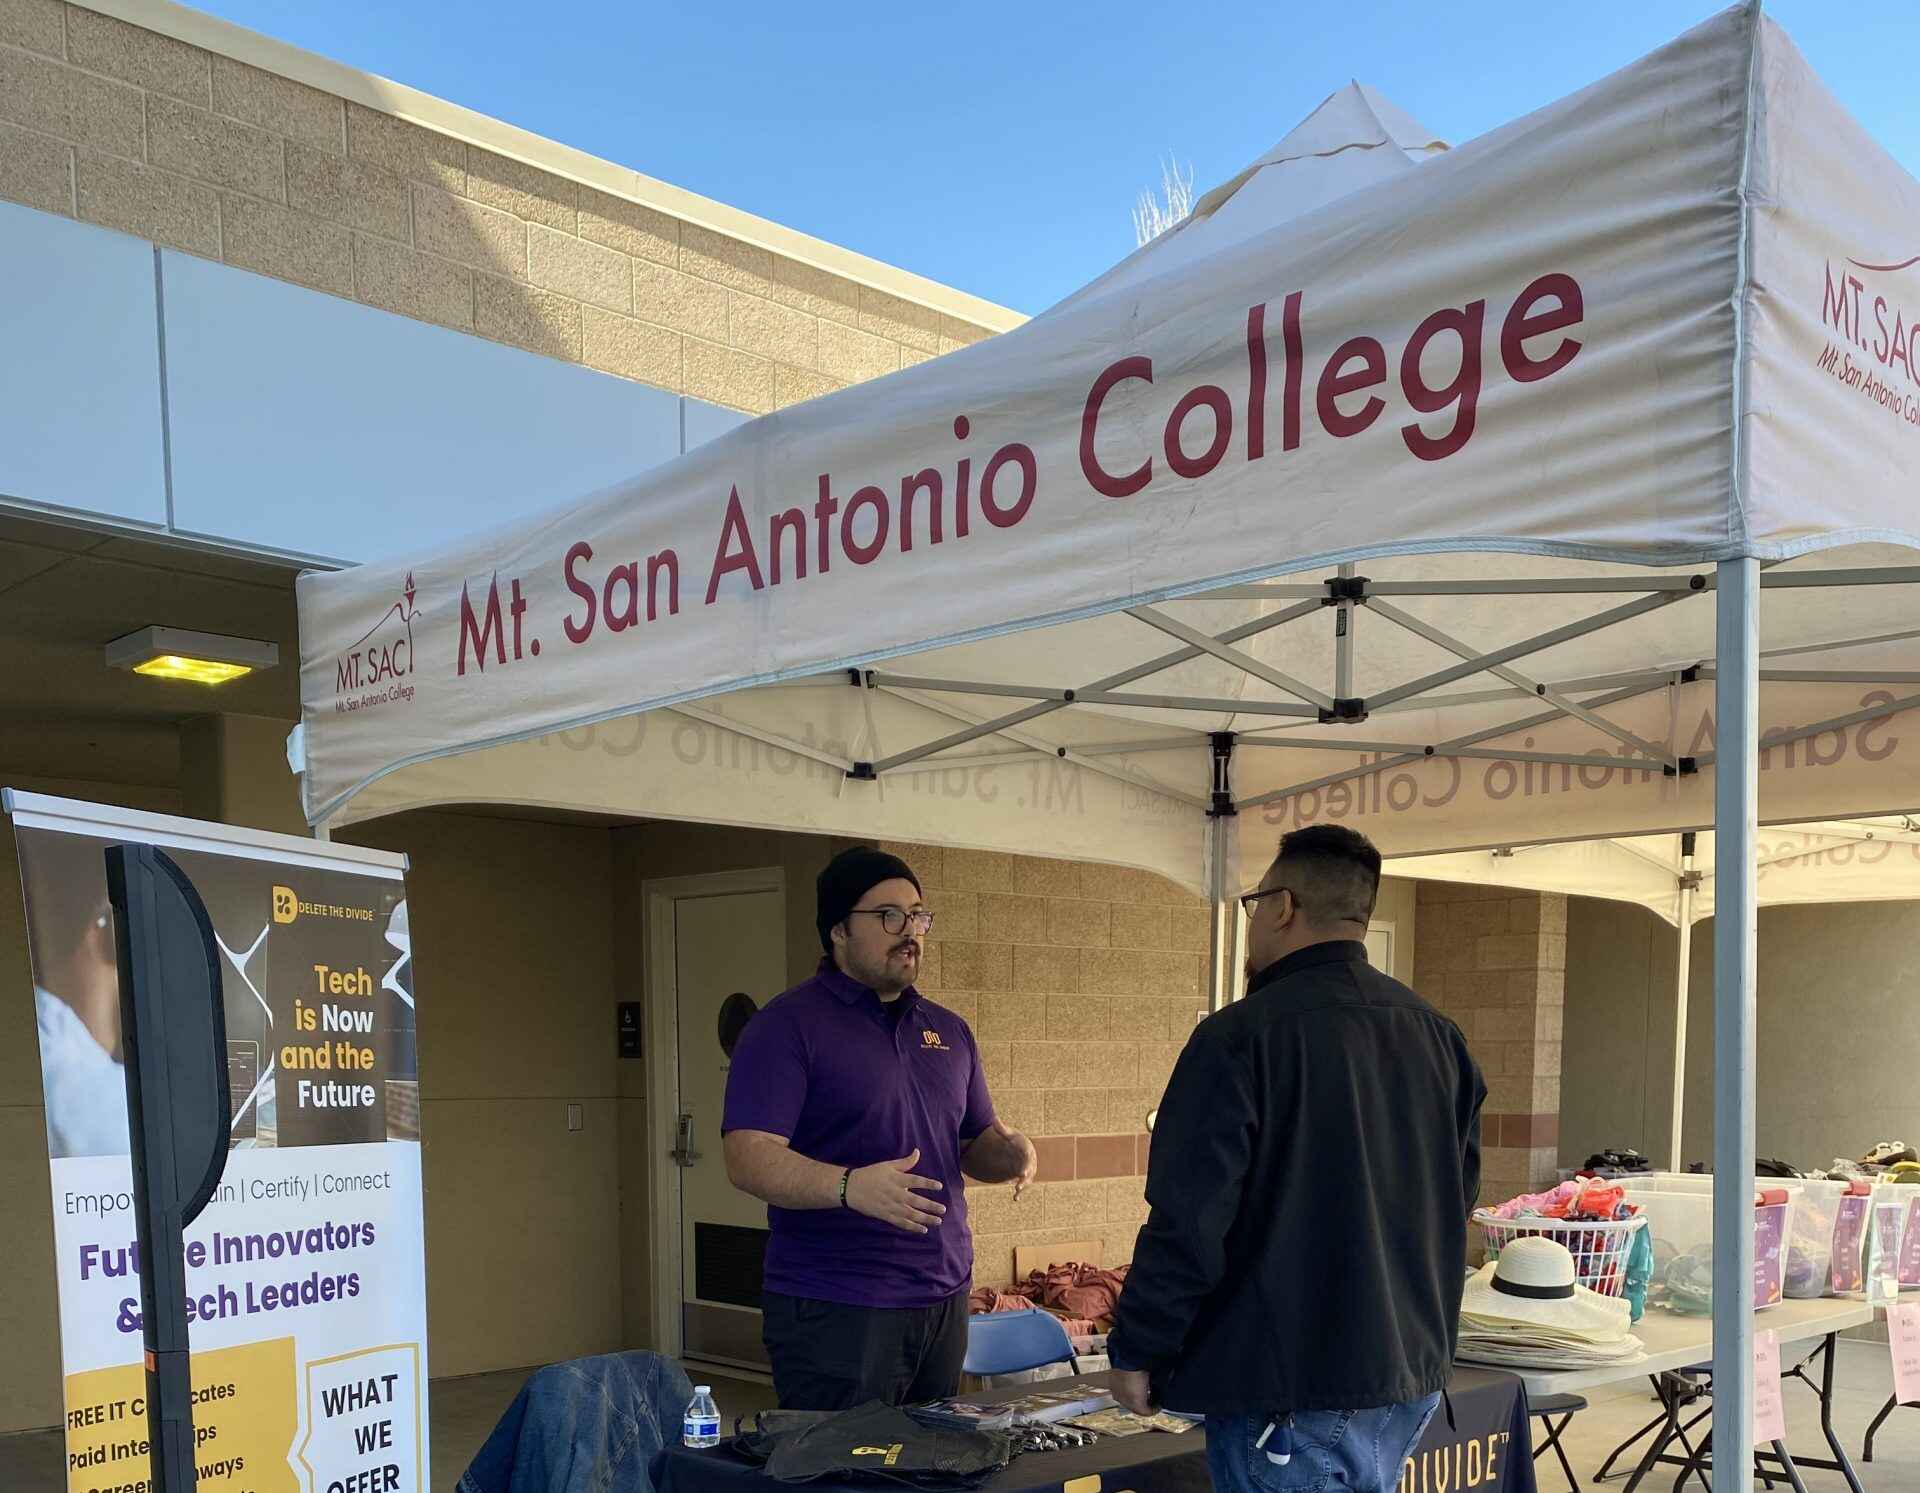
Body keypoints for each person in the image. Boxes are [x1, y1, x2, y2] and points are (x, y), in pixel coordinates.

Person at [1109, 824, 1486, 1493]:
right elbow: (1455, 1202)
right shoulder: (1440, 1037)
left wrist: (1139, 1346)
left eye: (1254, 905)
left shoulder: (1240, 1037)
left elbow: (1191, 1219)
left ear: (1282, 905)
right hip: (1406, 1372)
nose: (1252, 922)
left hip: (1289, 1386)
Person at [722, 848, 1038, 1410]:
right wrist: (850, 1187)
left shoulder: (948, 1030)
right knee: (844, 1476)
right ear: (839, 929)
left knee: (934, 1470)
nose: (910, 931)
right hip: (837, 1305)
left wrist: (1012, 1152)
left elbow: (973, 1143)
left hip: (942, 1297)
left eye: (918, 915)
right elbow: (748, 1156)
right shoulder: (786, 1027)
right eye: (889, 916)